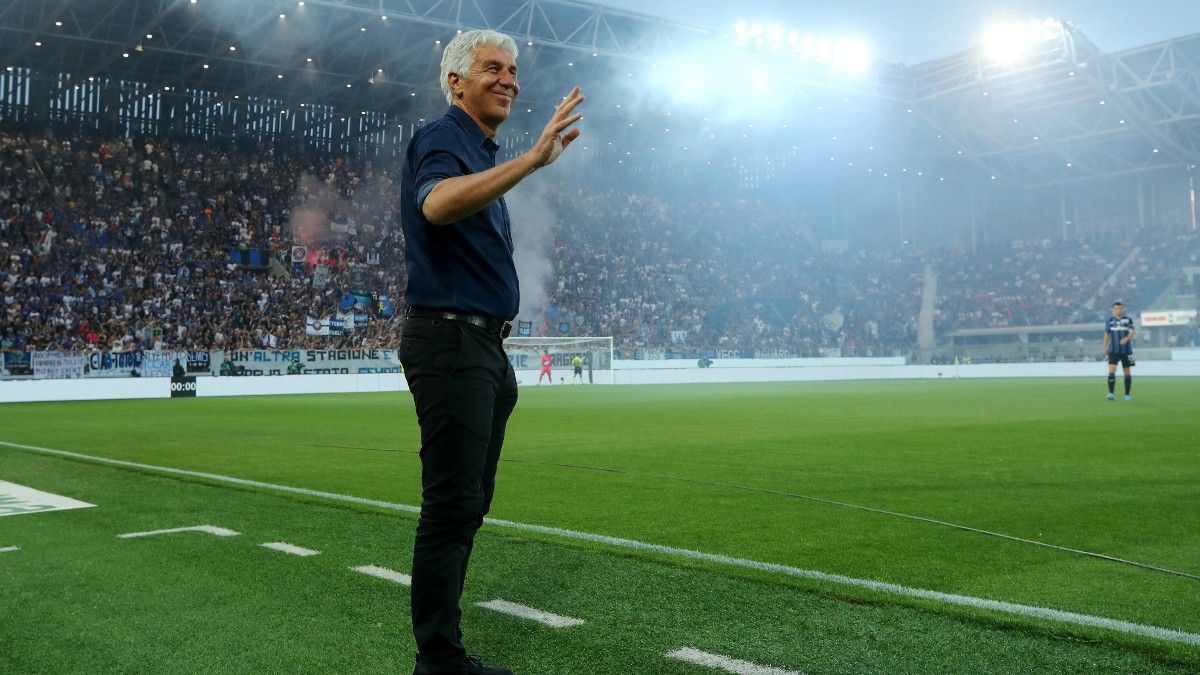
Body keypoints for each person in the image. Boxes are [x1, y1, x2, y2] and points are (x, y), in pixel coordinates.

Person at [397, 29, 584, 675]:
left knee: (468, 502)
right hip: (451, 338)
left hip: (481, 344)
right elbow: (437, 204)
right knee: (451, 502)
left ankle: (442, 649)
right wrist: (531, 160)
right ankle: (440, 660)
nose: (509, 78)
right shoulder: (444, 137)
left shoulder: (476, 150)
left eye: (513, 69)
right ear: (456, 81)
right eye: (492, 69)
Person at [1103, 301, 1136, 401]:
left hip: (1127, 351)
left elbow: (1132, 332)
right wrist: (1104, 347)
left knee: (1127, 372)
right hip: (1113, 351)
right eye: (1117, 308)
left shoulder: (1128, 320)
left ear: (1123, 309)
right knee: (1111, 371)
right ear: (1113, 309)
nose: (1119, 310)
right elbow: (1107, 334)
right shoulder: (1109, 320)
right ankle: (1111, 393)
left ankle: (1127, 394)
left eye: (1121, 308)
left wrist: (1126, 338)